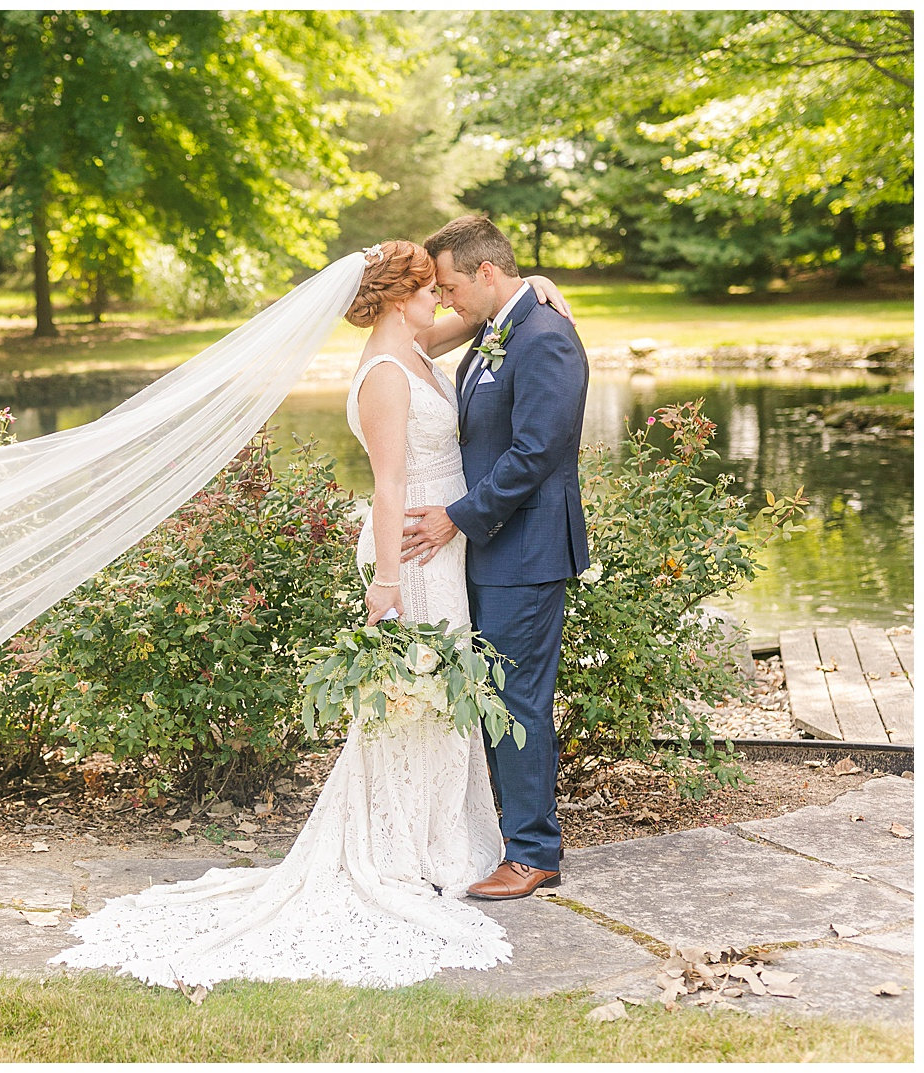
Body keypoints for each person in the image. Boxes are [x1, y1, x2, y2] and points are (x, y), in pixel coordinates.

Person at [50, 240, 572, 990]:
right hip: (412, 554)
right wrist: (385, 584)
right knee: (407, 703)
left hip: (444, 543)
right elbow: (389, 486)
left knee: (439, 704)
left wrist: (533, 286)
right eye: (433, 290)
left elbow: (487, 318)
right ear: (402, 299)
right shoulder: (386, 374)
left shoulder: (415, 344)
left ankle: (431, 844)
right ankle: (394, 852)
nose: (445, 302)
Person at [401, 215, 590, 901]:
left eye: (451, 285)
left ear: (485, 273)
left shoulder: (544, 338)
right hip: (493, 550)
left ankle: (535, 852)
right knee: (497, 698)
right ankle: (509, 835)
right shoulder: (494, 328)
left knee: (521, 702)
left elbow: (537, 453)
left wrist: (457, 516)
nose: (446, 299)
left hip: (528, 552)